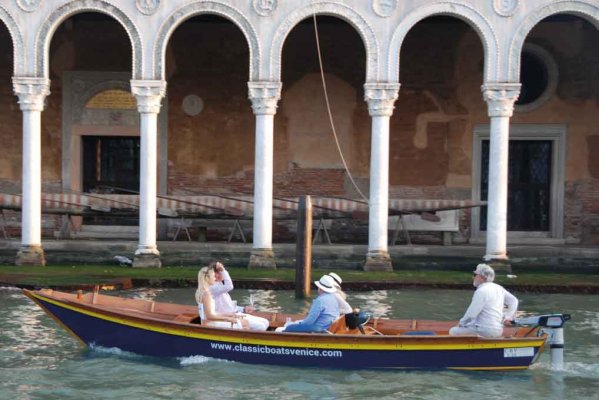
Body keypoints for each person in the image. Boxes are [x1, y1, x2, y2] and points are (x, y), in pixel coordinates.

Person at [449, 263, 519, 338]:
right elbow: (514, 301)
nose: (473, 277)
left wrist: (460, 324)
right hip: (498, 331)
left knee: (453, 331)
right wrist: (508, 317)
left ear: (482, 277)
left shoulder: (481, 291)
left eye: (475, 275)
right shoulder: (499, 288)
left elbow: (471, 315)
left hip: (483, 330)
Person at [209, 261, 269, 331]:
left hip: (235, 314)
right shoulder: (212, 287)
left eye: (221, 271)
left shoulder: (220, 287)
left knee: (266, 322)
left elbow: (230, 307)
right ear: (213, 274)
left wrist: (244, 309)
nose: (222, 274)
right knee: (261, 327)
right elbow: (229, 286)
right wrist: (223, 270)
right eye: (219, 272)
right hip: (226, 318)